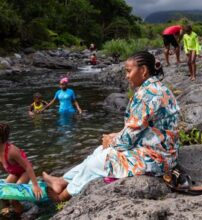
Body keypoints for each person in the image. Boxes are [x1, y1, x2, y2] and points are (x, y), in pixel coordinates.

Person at [42, 51, 181, 202]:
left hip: (157, 158)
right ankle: (62, 181)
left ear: (143, 71)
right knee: (99, 151)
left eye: (129, 71)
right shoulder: (156, 88)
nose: (126, 76)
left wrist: (112, 139)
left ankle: (63, 196)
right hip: (159, 148)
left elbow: (128, 139)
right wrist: (114, 136)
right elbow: (141, 127)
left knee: (99, 160)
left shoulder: (147, 95)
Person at [0, 124, 42, 215]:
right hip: (14, 172)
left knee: (14, 196)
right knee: (3, 194)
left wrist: (35, 185)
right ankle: (7, 209)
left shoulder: (12, 151)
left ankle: (21, 213)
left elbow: (28, 167)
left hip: (25, 172)